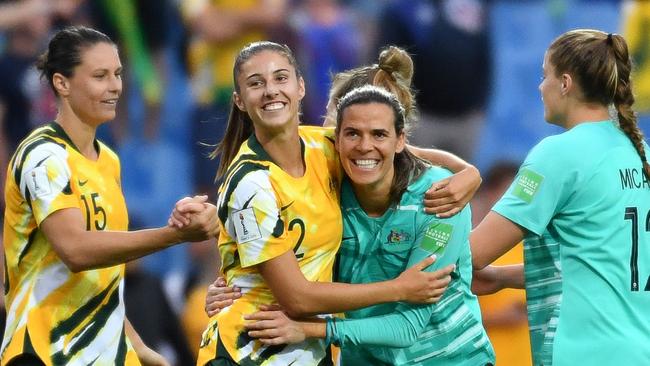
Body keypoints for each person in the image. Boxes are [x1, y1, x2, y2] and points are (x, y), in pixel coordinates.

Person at [167, 41, 482, 365]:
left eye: (280, 78)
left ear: (300, 86)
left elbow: (395, 153)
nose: (271, 91)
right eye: (255, 83)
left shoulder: (323, 148)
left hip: (313, 352)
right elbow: (295, 296)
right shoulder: (253, 184)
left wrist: (468, 172)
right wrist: (399, 288)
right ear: (239, 100)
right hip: (255, 349)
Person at [1, 26, 218, 366]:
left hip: (104, 354)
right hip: (45, 351)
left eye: (117, 74)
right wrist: (172, 236)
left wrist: (139, 347)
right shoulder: (42, 156)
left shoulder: (109, 161)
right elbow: (76, 251)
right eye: (100, 76)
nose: (115, 86)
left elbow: (102, 278)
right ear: (62, 83)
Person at [244, 85, 495, 365]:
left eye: (378, 134)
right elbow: (272, 233)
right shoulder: (327, 193)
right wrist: (234, 284)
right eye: (353, 133)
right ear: (335, 140)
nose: (365, 146)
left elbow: (407, 327)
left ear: (400, 141)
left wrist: (308, 330)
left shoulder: (442, 196)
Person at [470, 29, 650, 365]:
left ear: (565, 83)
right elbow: (602, 265)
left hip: (585, 354)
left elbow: (472, 255)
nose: (541, 87)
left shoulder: (559, 154)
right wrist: (503, 277)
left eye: (545, 75)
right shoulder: (641, 156)